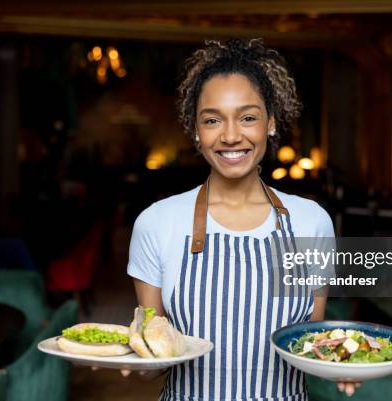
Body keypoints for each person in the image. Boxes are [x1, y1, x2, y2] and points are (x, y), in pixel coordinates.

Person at [126, 38, 358, 399]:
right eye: (213, 120)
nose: (231, 136)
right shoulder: (156, 223)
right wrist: (131, 358)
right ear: (196, 131)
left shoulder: (312, 222)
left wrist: (343, 360)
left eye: (248, 117)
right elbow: (155, 355)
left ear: (270, 123)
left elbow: (312, 341)